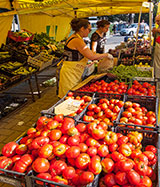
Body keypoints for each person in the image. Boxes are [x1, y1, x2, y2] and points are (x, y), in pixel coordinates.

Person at [57, 18, 113, 98]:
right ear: (82, 28)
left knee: (72, 94)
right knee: (68, 96)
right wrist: (106, 55)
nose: (90, 32)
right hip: (70, 73)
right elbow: (91, 56)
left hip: (73, 71)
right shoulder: (77, 40)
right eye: (89, 29)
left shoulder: (77, 38)